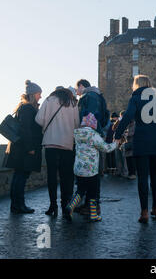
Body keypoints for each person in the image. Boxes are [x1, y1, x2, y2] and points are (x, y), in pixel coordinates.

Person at [114, 75, 156, 223]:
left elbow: (127, 116)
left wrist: (117, 135)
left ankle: (144, 212)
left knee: (142, 177)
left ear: (136, 85)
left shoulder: (135, 98)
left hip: (142, 140)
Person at [35, 87, 80, 218]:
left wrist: (47, 126)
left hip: (51, 142)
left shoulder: (49, 100)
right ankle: (66, 204)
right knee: (67, 176)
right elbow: (77, 124)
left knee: (52, 176)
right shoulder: (72, 103)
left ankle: (53, 205)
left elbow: (38, 119)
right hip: (67, 144)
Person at [64, 113, 117, 222]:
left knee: (80, 191)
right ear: (93, 125)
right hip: (91, 170)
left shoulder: (77, 134)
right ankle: (93, 215)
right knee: (93, 193)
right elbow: (106, 148)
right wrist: (116, 143)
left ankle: (70, 206)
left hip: (79, 169)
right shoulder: (93, 135)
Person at [5, 80, 43, 214]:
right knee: (21, 177)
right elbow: (26, 129)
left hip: (20, 148)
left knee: (18, 176)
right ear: (33, 94)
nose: (40, 96)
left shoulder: (24, 107)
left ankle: (16, 205)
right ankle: (18, 205)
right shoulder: (27, 108)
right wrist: (30, 148)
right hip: (24, 149)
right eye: (39, 94)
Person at [75, 79, 110, 213]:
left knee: (91, 174)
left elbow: (89, 116)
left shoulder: (89, 96)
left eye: (77, 88)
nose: (77, 92)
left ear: (82, 86)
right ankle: (90, 204)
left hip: (89, 135)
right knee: (93, 172)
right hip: (96, 134)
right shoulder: (98, 96)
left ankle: (92, 206)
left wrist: (85, 132)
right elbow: (104, 117)